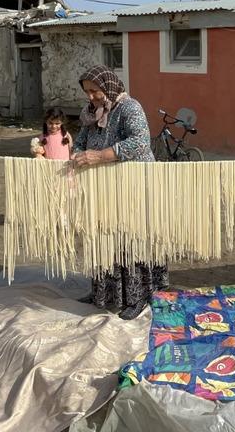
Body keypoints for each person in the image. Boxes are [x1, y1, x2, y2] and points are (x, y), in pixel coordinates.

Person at [70, 65, 164, 319]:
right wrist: (77, 155)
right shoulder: (91, 113)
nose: (91, 97)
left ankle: (138, 297)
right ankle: (104, 293)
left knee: (131, 239)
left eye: (95, 91)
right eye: (87, 92)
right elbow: (81, 140)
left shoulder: (129, 108)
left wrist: (100, 156)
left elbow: (140, 142)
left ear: (108, 86)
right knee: (104, 236)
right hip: (103, 187)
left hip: (134, 186)